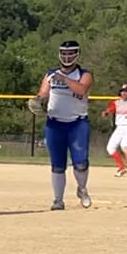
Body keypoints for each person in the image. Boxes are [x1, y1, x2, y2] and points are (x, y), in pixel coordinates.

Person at [37, 39, 93, 209]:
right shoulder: (50, 74)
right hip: (55, 124)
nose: (67, 57)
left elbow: (81, 89)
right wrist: (38, 101)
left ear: (77, 55)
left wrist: (64, 79)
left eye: (70, 53)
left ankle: (82, 189)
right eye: (64, 53)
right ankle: (58, 200)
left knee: (81, 163)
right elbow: (43, 93)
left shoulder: (84, 74)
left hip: (77, 123)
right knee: (57, 164)